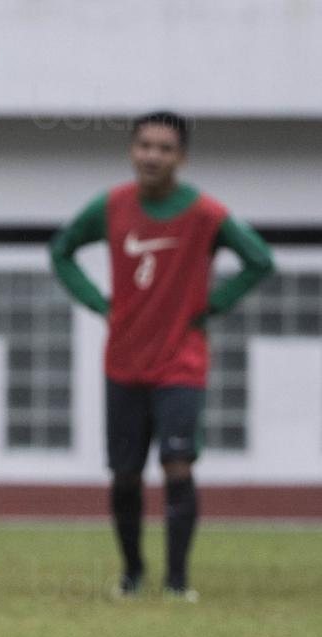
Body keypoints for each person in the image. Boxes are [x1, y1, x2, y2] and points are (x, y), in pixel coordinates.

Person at [50, 111, 274, 601]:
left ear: (182, 157)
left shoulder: (205, 214)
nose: (152, 155)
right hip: (124, 361)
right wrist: (98, 302)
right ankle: (132, 573)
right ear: (132, 150)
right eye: (144, 145)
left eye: (164, 148)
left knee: (178, 463)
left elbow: (260, 260)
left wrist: (213, 303)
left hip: (180, 362)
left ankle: (177, 581)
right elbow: (61, 250)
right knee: (126, 473)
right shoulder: (111, 206)